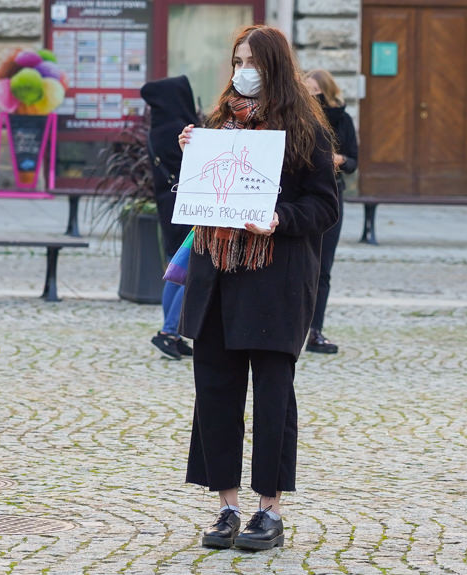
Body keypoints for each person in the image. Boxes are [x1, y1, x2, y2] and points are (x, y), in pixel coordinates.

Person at [177, 25, 338, 550]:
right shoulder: (217, 123)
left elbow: (324, 208)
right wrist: (192, 154)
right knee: (216, 395)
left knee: (272, 401)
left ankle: (269, 511)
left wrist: (278, 217)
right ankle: (226, 507)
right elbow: (202, 198)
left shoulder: (306, 130)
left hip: (275, 283)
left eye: (252, 61)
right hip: (218, 279)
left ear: (275, 67)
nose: (242, 69)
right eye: (236, 59)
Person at [141, 76, 200, 360]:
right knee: (190, 268)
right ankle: (168, 332)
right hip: (187, 204)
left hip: (169, 204)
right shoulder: (180, 129)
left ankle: (171, 333)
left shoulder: (158, 126)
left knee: (176, 269)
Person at [303, 69, 358, 354]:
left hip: (332, 193)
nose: (311, 95)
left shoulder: (342, 120)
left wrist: (337, 158)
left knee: (323, 267)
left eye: (316, 90)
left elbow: (353, 161)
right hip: (302, 194)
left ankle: (315, 329)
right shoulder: (299, 117)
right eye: (307, 89)